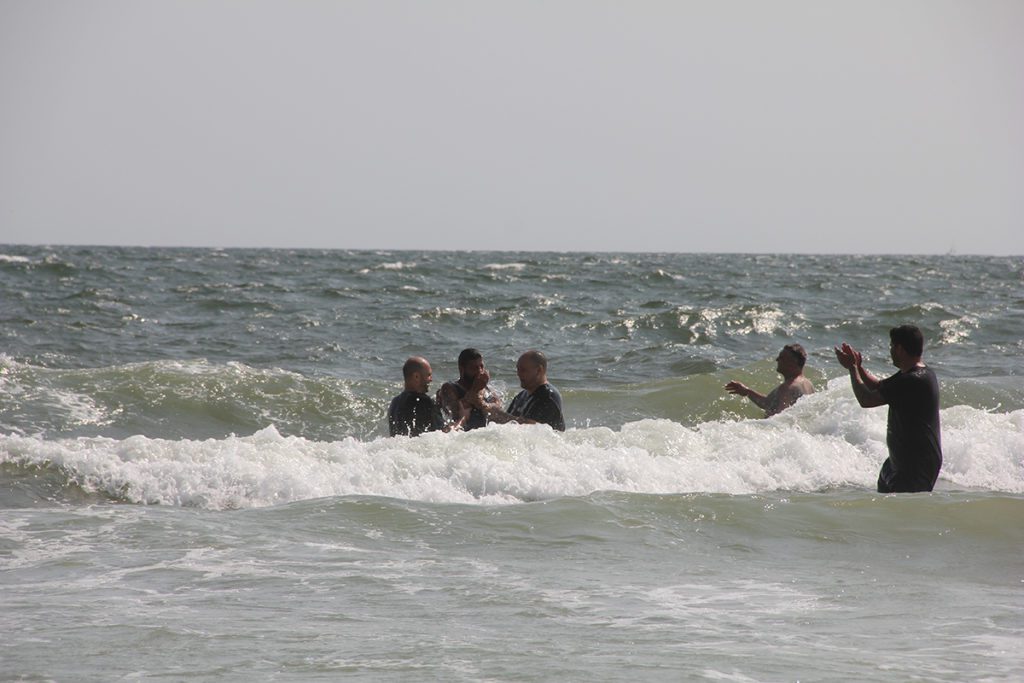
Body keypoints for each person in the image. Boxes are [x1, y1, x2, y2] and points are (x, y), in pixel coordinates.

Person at [834, 325, 942, 493]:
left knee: (903, 514)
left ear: (899, 348)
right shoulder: (912, 374)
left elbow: (866, 399)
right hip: (897, 462)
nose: (890, 350)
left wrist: (852, 369)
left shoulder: (915, 379)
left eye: (892, 346)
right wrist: (859, 367)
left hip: (915, 465)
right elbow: (878, 386)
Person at [470, 350, 565, 431]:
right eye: (518, 369)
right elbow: (508, 424)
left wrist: (496, 412)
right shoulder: (521, 396)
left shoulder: (548, 396)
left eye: (523, 370)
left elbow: (533, 428)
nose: (518, 374)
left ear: (539, 370)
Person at [725, 344, 815, 417]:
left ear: (792, 363)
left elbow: (776, 418)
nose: (777, 360)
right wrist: (747, 391)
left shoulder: (788, 387)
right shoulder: (808, 384)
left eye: (781, 358)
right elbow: (769, 403)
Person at [388, 356, 467, 437]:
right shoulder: (424, 401)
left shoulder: (394, 403)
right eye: (429, 375)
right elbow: (445, 434)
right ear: (416, 376)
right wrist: (462, 418)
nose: (431, 379)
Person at [436, 348, 502, 431]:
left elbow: (498, 410)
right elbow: (456, 414)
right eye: (474, 368)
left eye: (481, 366)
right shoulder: (450, 388)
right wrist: (476, 390)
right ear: (462, 369)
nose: (479, 371)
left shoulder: (487, 389)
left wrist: (483, 403)